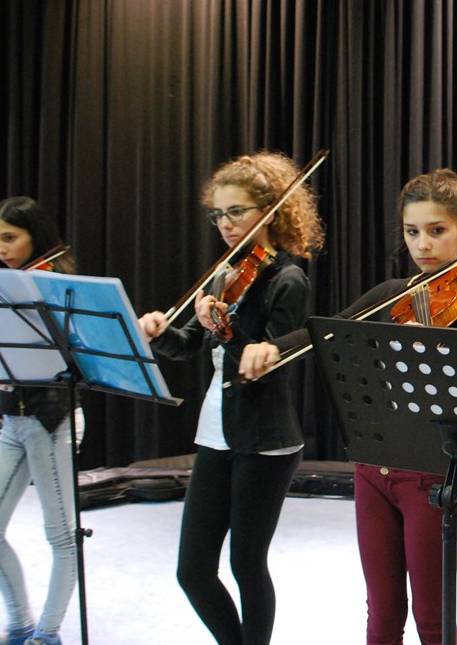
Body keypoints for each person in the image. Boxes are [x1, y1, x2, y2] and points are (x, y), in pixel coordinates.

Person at [244, 169, 457, 645]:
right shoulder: (391, 294)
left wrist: (427, 355)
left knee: (432, 617)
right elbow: (327, 331)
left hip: (431, 475)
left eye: (436, 230)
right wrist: (274, 348)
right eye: (412, 232)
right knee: (381, 613)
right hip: (373, 469)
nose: (422, 245)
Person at [137, 150, 324, 645]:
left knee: (246, 564)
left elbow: (261, 369)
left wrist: (226, 328)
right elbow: (189, 345)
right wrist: (159, 333)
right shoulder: (225, 273)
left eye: (236, 211)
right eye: (218, 214)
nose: (225, 223)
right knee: (193, 571)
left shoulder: (287, 279)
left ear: (270, 211)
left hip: (265, 438)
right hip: (215, 432)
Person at [0, 197, 81, 645]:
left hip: (53, 418)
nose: (1, 249)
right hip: (14, 421)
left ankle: (47, 635)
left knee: (61, 537)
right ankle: (21, 625)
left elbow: (67, 357)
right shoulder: (0, 288)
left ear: (34, 236)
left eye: (10, 238)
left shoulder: (56, 284)